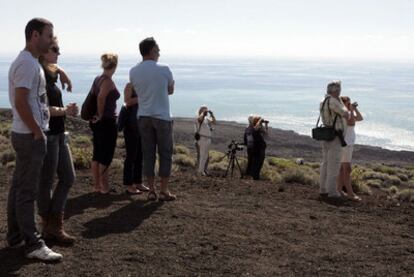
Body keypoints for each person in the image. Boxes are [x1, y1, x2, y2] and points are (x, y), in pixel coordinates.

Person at [7, 18, 63, 261]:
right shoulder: (28, 65)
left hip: (26, 134)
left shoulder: (30, 62)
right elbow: (20, 102)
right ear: (35, 35)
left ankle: (15, 236)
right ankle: (33, 243)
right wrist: (37, 131)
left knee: (19, 187)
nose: (52, 40)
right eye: (49, 36)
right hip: (30, 136)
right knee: (27, 191)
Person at [37, 37, 78, 244]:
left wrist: (63, 73)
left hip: (59, 134)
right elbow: (42, 109)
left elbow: (54, 65)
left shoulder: (50, 74)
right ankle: (49, 226)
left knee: (68, 177)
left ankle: (52, 224)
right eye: (54, 49)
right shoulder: (40, 75)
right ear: (43, 51)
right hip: (49, 135)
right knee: (46, 182)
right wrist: (66, 111)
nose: (58, 53)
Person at [129, 37, 176, 201]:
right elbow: (170, 90)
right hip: (162, 117)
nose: (159, 53)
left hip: (143, 116)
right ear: (151, 51)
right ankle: (164, 190)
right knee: (165, 153)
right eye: (157, 50)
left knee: (148, 154)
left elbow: (137, 90)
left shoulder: (133, 71)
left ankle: (151, 190)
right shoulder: (164, 69)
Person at [90, 53, 120, 194]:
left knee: (97, 154)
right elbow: (101, 98)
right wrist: (101, 116)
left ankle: (97, 186)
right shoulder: (107, 81)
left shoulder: (98, 79)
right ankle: (105, 187)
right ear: (114, 65)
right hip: (106, 122)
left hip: (97, 122)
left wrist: (97, 116)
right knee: (106, 156)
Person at [319, 81, 351, 201]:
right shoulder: (333, 101)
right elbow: (346, 113)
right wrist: (342, 101)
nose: (340, 91)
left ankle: (323, 189)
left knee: (326, 163)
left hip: (326, 134)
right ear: (335, 90)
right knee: (334, 164)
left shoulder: (323, 101)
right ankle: (332, 191)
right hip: (335, 136)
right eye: (339, 89)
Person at [121, 83, 149, 194]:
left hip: (142, 124)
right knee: (131, 155)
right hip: (131, 125)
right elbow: (127, 102)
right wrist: (142, 98)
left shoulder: (145, 86)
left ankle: (138, 182)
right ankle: (128, 184)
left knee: (140, 155)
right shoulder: (130, 86)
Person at [337, 96, 363, 201]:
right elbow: (352, 122)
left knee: (342, 169)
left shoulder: (346, 113)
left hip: (346, 144)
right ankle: (350, 194)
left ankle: (338, 190)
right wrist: (351, 109)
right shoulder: (344, 114)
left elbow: (360, 118)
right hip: (346, 144)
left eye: (349, 103)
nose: (349, 105)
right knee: (347, 169)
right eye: (347, 103)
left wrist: (354, 109)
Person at [244, 115, 268, 180]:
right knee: (257, 163)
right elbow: (256, 129)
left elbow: (266, 134)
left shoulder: (249, 128)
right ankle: (254, 177)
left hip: (251, 148)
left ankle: (249, 175)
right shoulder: (253, 129)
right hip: (257, 148)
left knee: (252, 163)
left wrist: (265, 125)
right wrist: (260, 120)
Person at [194, 105, 216, 176]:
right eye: (204, 110)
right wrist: (203, 113)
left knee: (205, 156)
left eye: (206, 110)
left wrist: (212, 114)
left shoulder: (206, 118)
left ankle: (202, 170)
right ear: (201, 110)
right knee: (202, 155)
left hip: (208, 138)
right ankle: (200, 171)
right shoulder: (197, 117)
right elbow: (199, 120)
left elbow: (214, 122)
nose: (206, 111)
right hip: (202, 138)